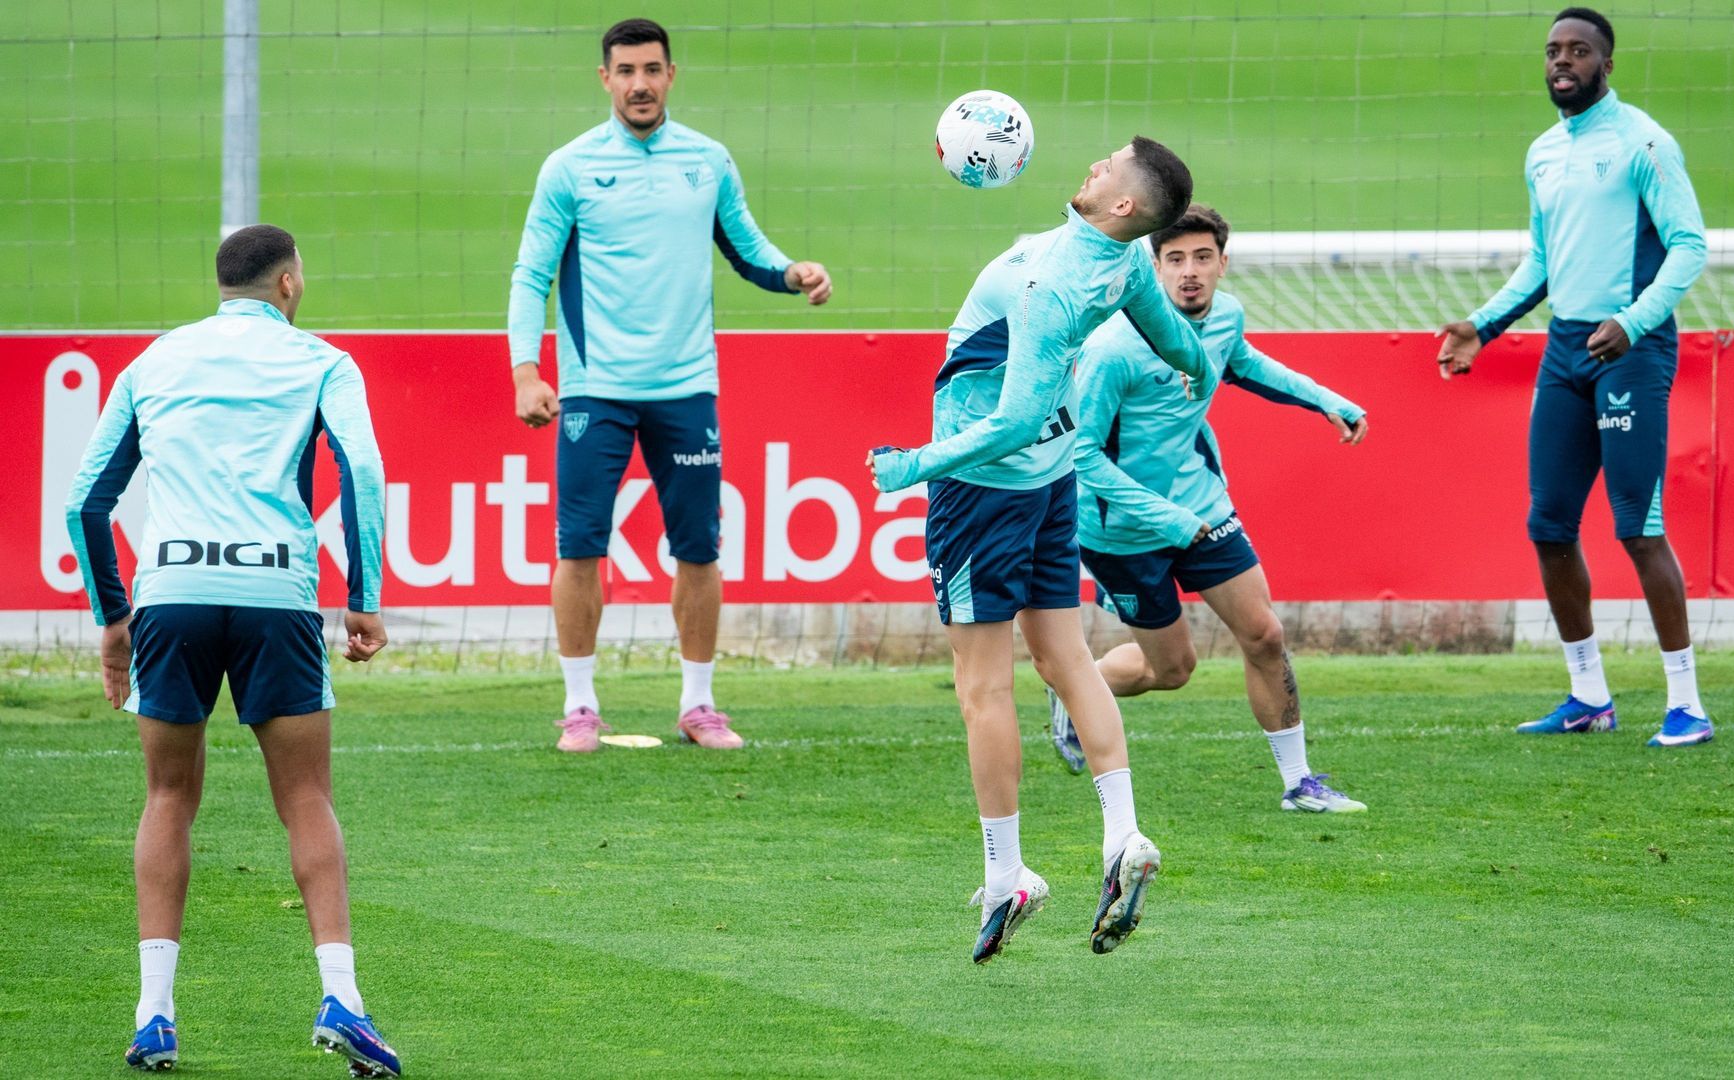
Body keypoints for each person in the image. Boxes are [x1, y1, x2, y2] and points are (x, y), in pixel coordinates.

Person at [67, 225, 401, 1076]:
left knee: (169, 796)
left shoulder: (156, 361)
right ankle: (342, 999)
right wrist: (363, 597)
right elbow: (361, 470)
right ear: (288, 282)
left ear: (222, 286)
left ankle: (153, 1015)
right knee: (306, 798)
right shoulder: (322, 362)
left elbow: (85, 501)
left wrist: (115, 617)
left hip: (169, 597)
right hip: (273, 593)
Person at [867, 137, 1212, 963]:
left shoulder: (1050, 283)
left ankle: (1006, 875)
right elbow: (1170, 333)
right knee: (1067, 659)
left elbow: (1014, 419)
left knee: (983, 686)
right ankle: (1123, 834)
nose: (1093, 165)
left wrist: (914, 465)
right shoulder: (1124, 263)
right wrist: (1198, 367)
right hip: (1052, 481)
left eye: (1109, 167)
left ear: (1125, 206)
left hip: (985, 491)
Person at [508, 18, 833, 752]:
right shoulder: (570, 167)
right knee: (581, 546)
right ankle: (581, 706)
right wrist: (527, 370)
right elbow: (531, 273)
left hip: (687, 387)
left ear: (671, 75)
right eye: (625, 71)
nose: (640, 84)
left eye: (652, 69)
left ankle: (698, 704)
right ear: (605, 80)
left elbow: (747, 249)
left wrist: (792, 273)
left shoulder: (708, 160)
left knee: (698, 549)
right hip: (594, 389)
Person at [1435, 7, 1714, 748]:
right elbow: (1543, 261)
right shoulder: (1543, 153)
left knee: (1638, 527)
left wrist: (1636, 319)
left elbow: (1689, 245)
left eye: (1579, 50)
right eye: (1554, 50)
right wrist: (1483, 326)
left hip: (1630, 351)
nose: (1563, 61)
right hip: (1565, 353)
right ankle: (1588, 693)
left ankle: (1687, 704)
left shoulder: (1644, 144)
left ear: (1607, 64)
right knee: (1548, 526)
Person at [1048, 204, 1372, 812]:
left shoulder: (1225, 316)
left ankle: (1299, 784)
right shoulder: (1114, 348)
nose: (1189, 272)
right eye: (1175, 259)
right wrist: (1167, 519)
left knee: (1264, 633)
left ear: (1223, 263)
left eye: (1202, 257)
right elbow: (1081, 458)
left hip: (1203, 506)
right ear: (1155, 267)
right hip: (1122, 529)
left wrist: (1326, 400)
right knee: (1171, 670)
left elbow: (1244, 365)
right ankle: (1075, 686)